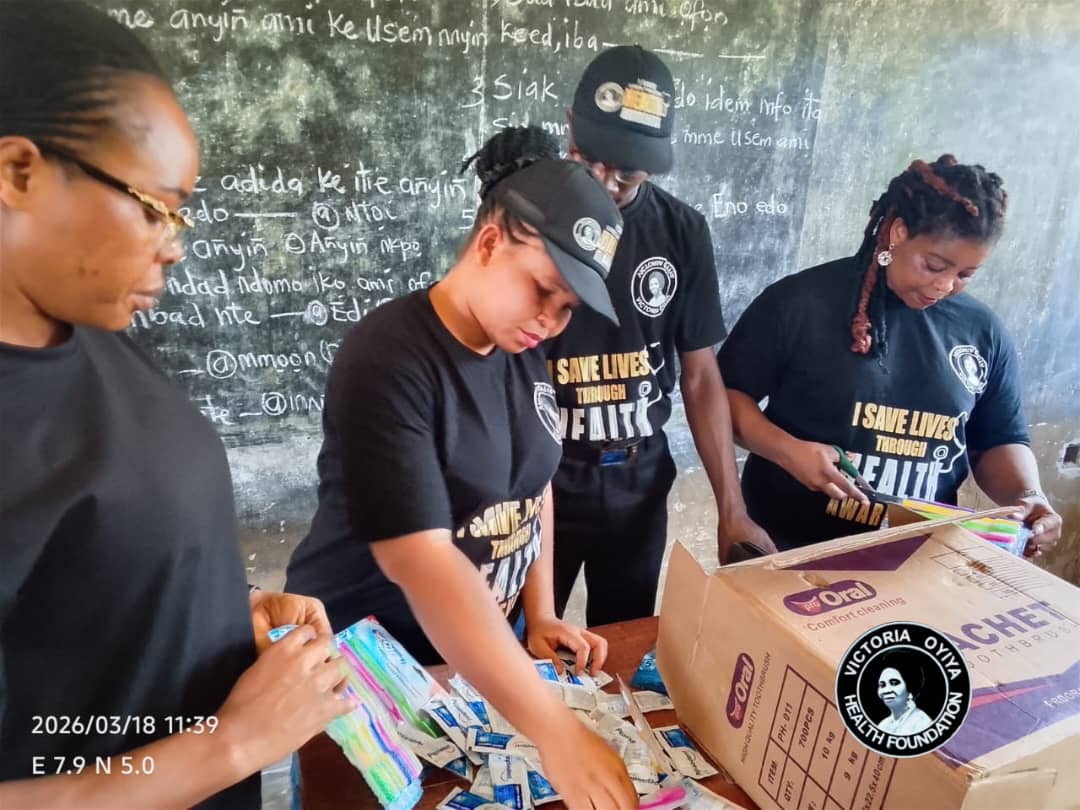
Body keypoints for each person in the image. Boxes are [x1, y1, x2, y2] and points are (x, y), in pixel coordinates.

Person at [0, 3, 350, 806]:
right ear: (19, 171)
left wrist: (227, 609)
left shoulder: (90, 325)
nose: (176, 243)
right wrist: (236, 741)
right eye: (155, 206)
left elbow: (96, 560)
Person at [285, 126, 638, 809]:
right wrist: (554, 729)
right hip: (373, 670)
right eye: (543, 289)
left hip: (476, 666)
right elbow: (422, 561)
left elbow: (535, 488)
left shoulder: (519, 349)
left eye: (567, 308)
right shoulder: (390, 357)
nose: (550, 320)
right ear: (489, 243)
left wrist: (539, 614)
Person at [718, 155, 1063, 555]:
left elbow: (997, 438)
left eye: (965, 275)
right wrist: (789, 451)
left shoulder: (981, 330)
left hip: (920, 557)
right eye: (934, 265)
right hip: (790, 547)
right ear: (898, 232)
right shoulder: (799, 303)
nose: (945, 285)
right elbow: (724, 399)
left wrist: (1028, 496)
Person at [546, 45, 772, 626]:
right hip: (543, 479)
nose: (606, 183)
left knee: (623, 640)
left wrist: (731, 507)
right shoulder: (530, 219)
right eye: (590, 162)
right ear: (570, 127)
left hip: (637, 481)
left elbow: (700, 377)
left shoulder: (682, 232)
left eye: (627, 174)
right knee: (520, 645)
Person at [875, 658, 933, 735]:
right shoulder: (883, 725)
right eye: (882, 685)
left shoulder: (922, 723)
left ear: (910, 690)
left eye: (894, 683)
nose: (886, 690)